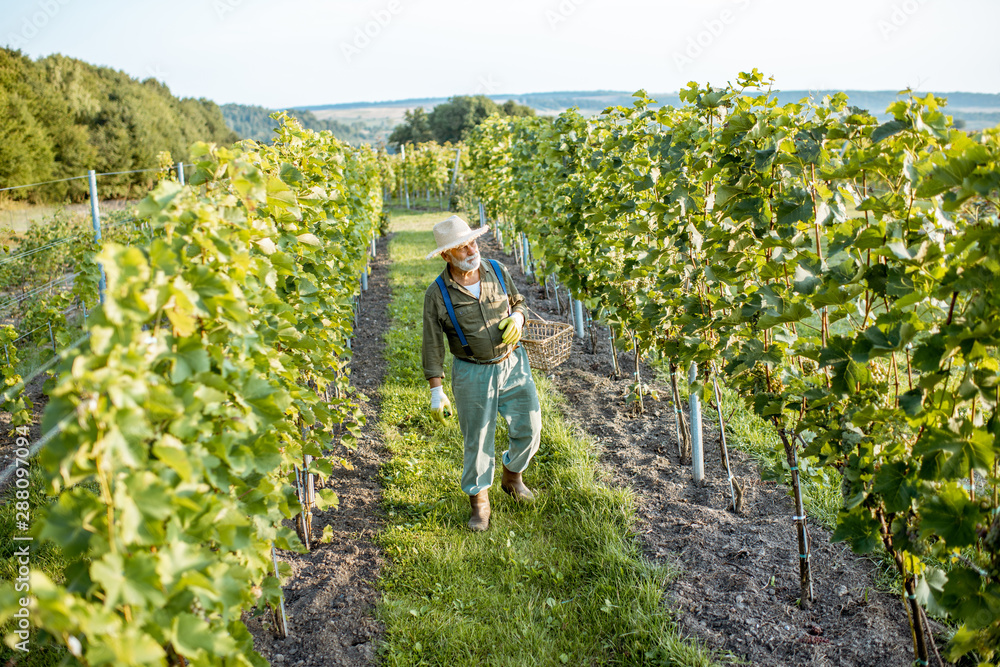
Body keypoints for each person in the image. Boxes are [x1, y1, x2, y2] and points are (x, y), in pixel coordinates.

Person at [421, 215, 542, 531]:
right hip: (472, 372)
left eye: (471, 242)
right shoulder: (437, 294)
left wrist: (517, 318)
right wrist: (436, 391)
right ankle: (479, 503)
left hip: (514, 363)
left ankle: (512, 476)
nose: (470, 250)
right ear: (447, 255)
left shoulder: (497, 270)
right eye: (461, 248)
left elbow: (519, 302)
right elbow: (432, 345)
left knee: (530, 427)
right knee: (478, 440)